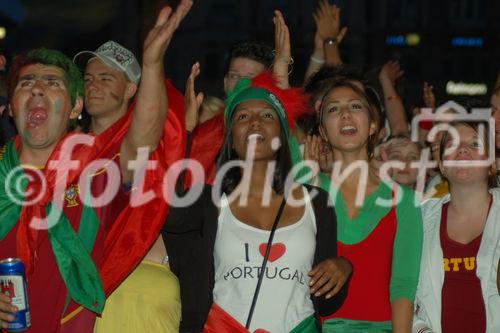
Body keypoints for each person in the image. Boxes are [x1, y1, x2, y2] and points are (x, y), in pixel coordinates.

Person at [0, 3, 187, 331]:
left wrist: (153, 63)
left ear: (75, 107)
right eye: (26, 83)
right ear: (11, 107)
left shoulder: (95, 172)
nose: (38, 89)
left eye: (53, 83)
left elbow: (142, 140)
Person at [163, 72, 351, 332]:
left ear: (282, 135)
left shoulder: (317, 202)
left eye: (267, 115)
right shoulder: (211, 202)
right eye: (242, 116)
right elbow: (168, 214)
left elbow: (327, 303)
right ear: (231, 139)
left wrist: (343, 267)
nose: (254, 122)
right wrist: (185, 131)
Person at [308, 77, 422, 332]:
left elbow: (403, 286)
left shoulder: (403, 201)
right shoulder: (307, 189)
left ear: (372, 125)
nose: (345, 114)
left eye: (355, 106)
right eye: (333, 109)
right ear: (323, 131)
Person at [413, 121, 500, 332]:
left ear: (492, 165)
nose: (462, 149)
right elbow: (403, 292)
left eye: (475, 144)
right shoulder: (419, 219)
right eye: (452, 146)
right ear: (442, 165)